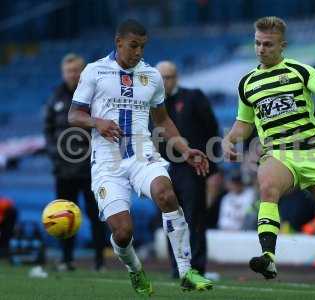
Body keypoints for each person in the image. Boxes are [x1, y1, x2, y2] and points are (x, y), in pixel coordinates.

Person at [222, 16, 315, 299]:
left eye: (268, 44)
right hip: (278, 152)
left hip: (313, 151)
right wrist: (229, 139)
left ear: (282, 46)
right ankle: (268, 257)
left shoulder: (300, 71)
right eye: (257, 43)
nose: (261, 49)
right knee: (267, 187)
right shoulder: (247, 84)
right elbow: (244, 123)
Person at [67, 19, 213, 296]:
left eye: (143, 47)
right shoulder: (95, 71)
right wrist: (98, 122)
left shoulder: (152, 76)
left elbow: (163, 121)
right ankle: (135, 270)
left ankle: (186, 271)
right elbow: (74, 114)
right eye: (133, 46)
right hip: (107, 162)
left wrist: (185, 150)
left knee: (166, 195)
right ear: (118, 42)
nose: (138, 52)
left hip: (142, 155)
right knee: (123, 233)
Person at [156, 61, 220, 277]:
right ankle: (177, 268)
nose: (165, 81)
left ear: (177, 77)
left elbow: (212, 129)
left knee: (195, 218)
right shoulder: (152, 104)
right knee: (170, 218)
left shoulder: (193, 97)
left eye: (169, 77)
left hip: (191, 168)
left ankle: (198, 267)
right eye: (161, 77)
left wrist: (212, 166)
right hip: (163, 168)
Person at [44, 53, 107, 271]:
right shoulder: (55, 97)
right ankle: (66, 259)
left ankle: (100, 261)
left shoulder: (95, 95)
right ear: (63, 73)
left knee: (96, 215)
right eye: (68, 71)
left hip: (92, 168)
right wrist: (57, 156)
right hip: (64, 170)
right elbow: (48, 131)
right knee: (63, 216)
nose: (72, 74)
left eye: (76, 70)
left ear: (83, 72)